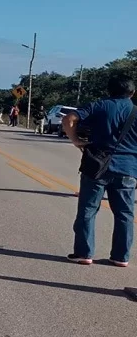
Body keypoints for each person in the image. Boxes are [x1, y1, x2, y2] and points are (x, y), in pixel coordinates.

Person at [64, 76, 137, 267]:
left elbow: (69, 119)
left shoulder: (99, 105)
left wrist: (76, 140)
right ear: (132, 92)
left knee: (88, 210)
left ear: (109, 90)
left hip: (96, 166)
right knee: (125, 214)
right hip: (128, 169)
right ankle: (121, 257)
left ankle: (84, 253)